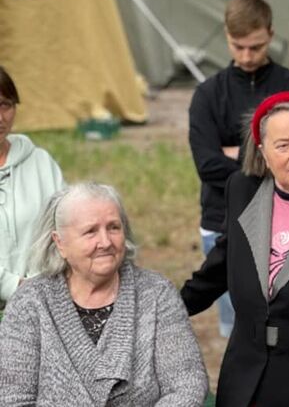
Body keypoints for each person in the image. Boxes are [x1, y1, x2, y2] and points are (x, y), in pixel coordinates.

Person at [181, 91, 289, 406]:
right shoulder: (243, 191)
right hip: (245, 376)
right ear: (262, 151)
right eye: (283, 145)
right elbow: (222, 263)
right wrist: (170, 307)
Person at [0, 183, 208, 405]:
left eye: (113, 228)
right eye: (91, 231)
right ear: (60, 242)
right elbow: (12, 398)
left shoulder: (157, 293)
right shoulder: (30, 301)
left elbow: (187, 384)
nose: (106, 242)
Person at [188, 0, 289, 337]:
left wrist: (236, 153)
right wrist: (274, 159)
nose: (246, 56)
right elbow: (207, 165)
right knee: (238, 332)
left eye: (256, 47)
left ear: (271, 35)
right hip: (223, 221)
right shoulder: (207, 94)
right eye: (238, 46)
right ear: (226, 36)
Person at [0, 65, 65, 311]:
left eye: (5, 105)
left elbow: (66, 226)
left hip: (44, 302)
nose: (0, 118)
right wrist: (13, 286)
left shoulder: (40, 162)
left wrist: (40, 284)